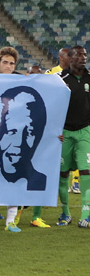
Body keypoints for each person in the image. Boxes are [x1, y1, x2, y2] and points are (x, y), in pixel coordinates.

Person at [0, 47, 42, 232]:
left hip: (14, 135)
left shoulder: (21, 83)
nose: (8, 66)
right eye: (5, 62)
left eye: (12, 63)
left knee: (16, 175)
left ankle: (10, 221)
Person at [56, 46, 90, 228]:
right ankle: (65, 213)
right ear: (69, 58)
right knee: (63, 174)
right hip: (65, 133)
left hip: (85, 131)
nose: (83, 57)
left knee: (86, 171)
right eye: (78, 55)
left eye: (85, 54)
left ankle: (86, 213)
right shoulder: (60, 80)